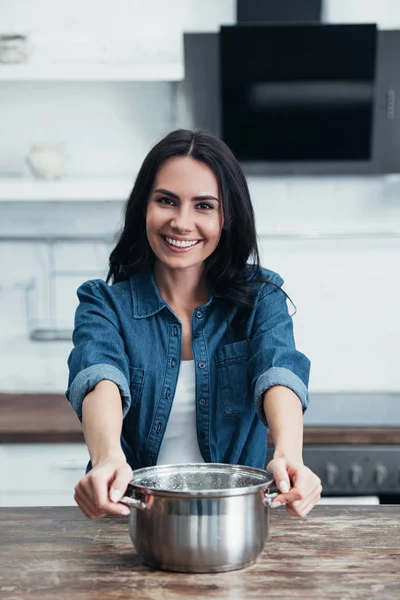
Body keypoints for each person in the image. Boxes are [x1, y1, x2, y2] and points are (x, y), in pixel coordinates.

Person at [66, 128, 322, 520]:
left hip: (236, 520)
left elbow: (278, 370)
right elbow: (100, 377)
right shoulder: (102, 303)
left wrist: (289, 453)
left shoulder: (261, 297)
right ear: (143, 208)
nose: (181, 223)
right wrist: (106, 458)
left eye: (204, 206)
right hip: (129, 521)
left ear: (227, 218)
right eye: (166, 200)